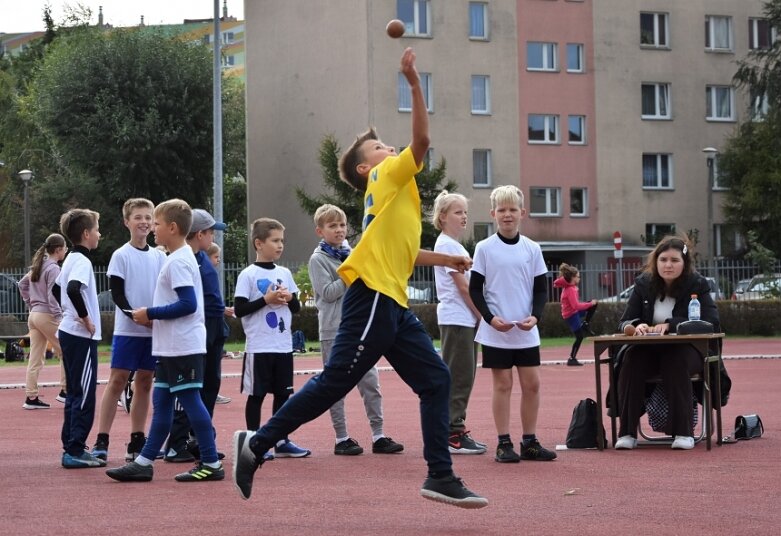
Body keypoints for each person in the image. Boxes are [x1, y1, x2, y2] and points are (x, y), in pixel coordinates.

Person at [232, 47, 487, 509]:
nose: (390, 147)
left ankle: (441, 477)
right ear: (368, 167)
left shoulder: (393, 198)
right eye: (379, 147)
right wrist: (413, 82)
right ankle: (258, 443)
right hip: (372, 298)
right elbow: (424, 142)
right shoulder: (388, 173)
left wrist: (446, 261)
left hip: (390, 303)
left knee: (435, 380)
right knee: (335, 381)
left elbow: (403, 252)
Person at [105, 199, 223, 482]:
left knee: (191, 402)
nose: (153, 228)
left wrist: (150, 313)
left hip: (182, 346)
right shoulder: (175, 258)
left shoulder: (180, 260)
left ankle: (210, 462)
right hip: (170, 346)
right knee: (162, 402)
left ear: (171, 227)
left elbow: (188, 304)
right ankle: (144, 461)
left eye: (156, 223)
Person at [468, 185, 557, 464]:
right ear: (493, 213)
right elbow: (474, 290)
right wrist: (490, 318)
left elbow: (541, 290)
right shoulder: (484, 248)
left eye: (513, 210)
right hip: (496, 332)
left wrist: (536, 316)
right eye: (502, 210)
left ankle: (529, 442)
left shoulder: (532, 248)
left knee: (532, 384)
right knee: (503, 385)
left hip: (525, 331)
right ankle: (504, 443)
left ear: (522, 213)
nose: (507, 215)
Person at [308, 203, 403, 456]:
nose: (339, 230)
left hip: (360, 328)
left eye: (342, 225)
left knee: (370, 382)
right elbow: (327, 294)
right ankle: (341, 438)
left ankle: (379, 435)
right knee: (335, 385)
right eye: (332, 226)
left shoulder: (353, 253)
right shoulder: (318, 259)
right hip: (333, 330)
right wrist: (350, 273)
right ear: (320, 231)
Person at [614, 235, 721, 451]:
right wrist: (634, 327)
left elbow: (711, 323)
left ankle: (684, 433)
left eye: (674, 260)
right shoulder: (643, 283)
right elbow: (625, 321)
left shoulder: (698, 285)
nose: (668, 265)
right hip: (649, 349)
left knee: (674, 359)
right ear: (656, 262)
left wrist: (671, 325)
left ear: (685, 263)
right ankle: (626, 432)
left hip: (688, 351)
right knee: (632, 358)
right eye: (663, 260)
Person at [91, 198, 166, 462]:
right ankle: (102, 439)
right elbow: (117, 293)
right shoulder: (121, 255)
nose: (144, 221)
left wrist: (156, 317)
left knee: (145, 382)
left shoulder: (160, 256)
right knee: (117, 380)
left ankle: (137, 439)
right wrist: (136, 317)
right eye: (138, 217)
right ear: (127, 222)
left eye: (148, 217)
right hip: (128, 330)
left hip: (153, 329)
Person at [234, 217, 311, 460]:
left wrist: (289, 298)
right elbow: (239, 309)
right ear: (259, 243)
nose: (280, 245)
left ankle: (280, 440)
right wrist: (266, 300)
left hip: (282, 346)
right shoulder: (248, 274)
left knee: (283, 395)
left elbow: (297, 307)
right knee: (256, 396)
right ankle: (253, 442)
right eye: (275, 240)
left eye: (282, 241)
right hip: (259, 346)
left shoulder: (285, 273)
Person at [163, 209, 228, 463]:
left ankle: (200, 438)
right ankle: (176, 442)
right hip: (199, 329)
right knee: (191, 386)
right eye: (211, 232)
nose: (214, 237)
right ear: (199, 234)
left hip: (213, 327)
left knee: (210, 386)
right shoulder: (186, 260)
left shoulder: (201, 257)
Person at [431, 191, 486, 455]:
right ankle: (453, 432)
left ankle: (455, 427)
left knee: (465, 374)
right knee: (460, 375)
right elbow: (463, 288)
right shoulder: (446, 246)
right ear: (442, 217)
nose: (464, 217)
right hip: (457, 318)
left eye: (465, 212)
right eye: (457, 212)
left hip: (462, 318)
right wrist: (482, 316)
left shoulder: (453, 245)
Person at [53, 209, 106, 468]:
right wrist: (84, 319)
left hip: (69, 331)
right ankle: (74, 449)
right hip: (79, 335)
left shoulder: (71, 257)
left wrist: (68, 312)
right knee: (84, 392)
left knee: (75, 391)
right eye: (97, 229)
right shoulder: (82, 261)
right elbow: (72, 288)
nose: (99, 234)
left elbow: (57, 287)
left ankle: (71, 445)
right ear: (86, 234)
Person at [18, 233, 68, 409]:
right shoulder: (54, 268)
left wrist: (30, 302)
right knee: (67, 351)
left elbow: (21, 284)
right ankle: (65, 391)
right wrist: (59, 316)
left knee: (36, 357)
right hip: (47, 315)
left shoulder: (38, 266)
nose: (66, 251)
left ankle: (31, 397)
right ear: (58, 250)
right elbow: (52, 295)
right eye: (65, 248)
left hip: (34, 315)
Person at [553, 263, 598, 367]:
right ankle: (572, 358)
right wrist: (590, 304)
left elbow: (557, 283)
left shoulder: (570, 286)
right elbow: (576, 306)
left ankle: (585, 324)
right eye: (578, 277)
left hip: (574, 313)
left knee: (593, 304)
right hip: (571, 315)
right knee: (579, 337)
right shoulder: (570, 290)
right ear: (573, 278)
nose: (579, 279)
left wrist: (590, 304)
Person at [206, 241, 233, 405]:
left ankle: (211, 392)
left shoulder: (211, 274)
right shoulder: (205, 273)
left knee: (214, 365)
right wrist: (222, 309)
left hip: (217, 326)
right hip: (209, 326)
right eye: (216, 257)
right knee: (209, 365)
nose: (218, 261)